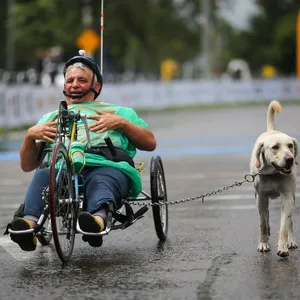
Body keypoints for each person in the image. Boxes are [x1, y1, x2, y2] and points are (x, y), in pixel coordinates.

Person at [7, 50, 156, 251]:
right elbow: (27, 166)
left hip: (106, 165)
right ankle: (28, 225)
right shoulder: (50, 118)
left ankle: (97, 221)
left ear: (96, 86)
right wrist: (30, 135)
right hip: (61, 170)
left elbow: (150, 143)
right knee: (43, 175)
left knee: (101, 179)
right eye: (70, 81)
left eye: (81, 80)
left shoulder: (119, 112)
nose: (74, 85)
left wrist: (122, 123)